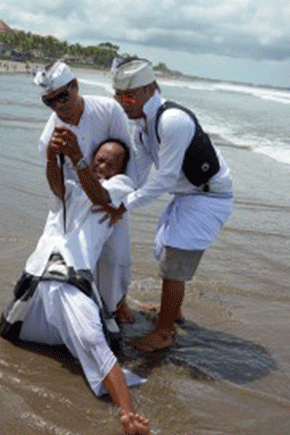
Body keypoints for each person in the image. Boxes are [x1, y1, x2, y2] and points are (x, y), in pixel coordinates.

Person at [0, 138, 151, 435]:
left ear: (120, 169)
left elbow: (100, 198)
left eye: (108, 161)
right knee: (10, 334)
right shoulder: (73, 186)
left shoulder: (121, 187)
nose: (99, 164)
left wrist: (79, 158)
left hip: (72, 275)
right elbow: (57, 188)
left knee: (93, 340)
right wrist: (51, 157)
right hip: (39, 273)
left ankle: (129, 416)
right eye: (98, 158)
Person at [100, 57, 234, 352]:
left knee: (175, 263)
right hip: (186, 193)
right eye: (118, 97)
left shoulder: (172, 121)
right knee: (165, 250)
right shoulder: (142, 125)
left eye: (130, 96)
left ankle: (162, 334)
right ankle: (174, 313)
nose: (124, 103)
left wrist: (123, 207)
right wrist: (113, 193)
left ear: (150, 89)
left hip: (207, 196)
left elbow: (165, 179)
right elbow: (140, 172)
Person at [34, 61, 137, 324]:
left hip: (112, 195)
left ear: (75, 86)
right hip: (73, 200)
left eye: (62, 97)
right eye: (50, 102)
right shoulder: (50, 135)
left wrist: (123, 205)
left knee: (116, 257)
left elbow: (129, 160)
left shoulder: (108, 110)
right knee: (68, 256)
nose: (58, 106)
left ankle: (116, 304)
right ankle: (77, 310)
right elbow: (57, 190)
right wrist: (51, 158)